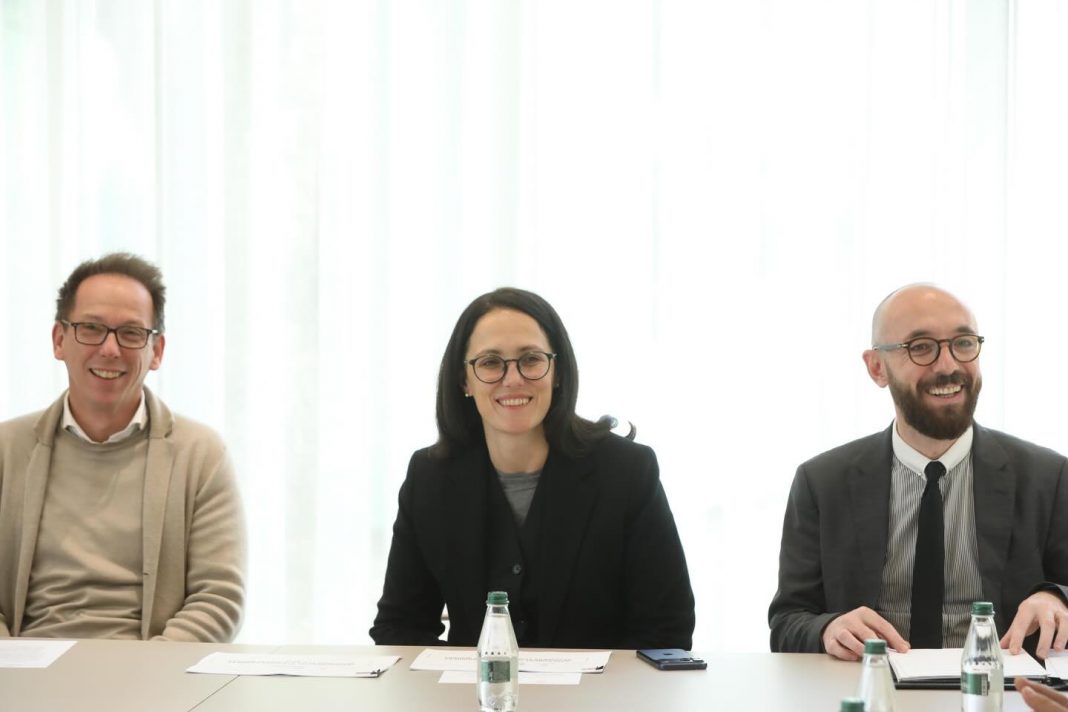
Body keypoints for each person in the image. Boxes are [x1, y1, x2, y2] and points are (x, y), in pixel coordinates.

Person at [370, 287, 695, 649]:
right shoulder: (428, 478)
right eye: (490, 362)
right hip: (472, 687)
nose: (513, 378)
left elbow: (667, 630)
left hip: (602, 687)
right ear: (464, 380)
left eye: (531, 359)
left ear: (557, 372)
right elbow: (399, 628)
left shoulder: (628, 472)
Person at [769, 284, 1068, 661]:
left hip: (1000, 686)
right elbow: (788, 621)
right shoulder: (821, 482)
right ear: (877, 367)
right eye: (921, 347)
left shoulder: (1048, 477)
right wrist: (828, 629)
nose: (948, 366)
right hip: (869, 683)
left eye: (963, 343)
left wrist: (1057, 598)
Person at [0, 253, 246, 641]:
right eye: (91, 328)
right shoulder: (6, 449)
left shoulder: (201, 455)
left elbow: (217, 598)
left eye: (131, 333)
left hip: (153, 668)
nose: (110, 349)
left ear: (157, 351)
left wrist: (150, 672)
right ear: (59, 340)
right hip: (26, 666)